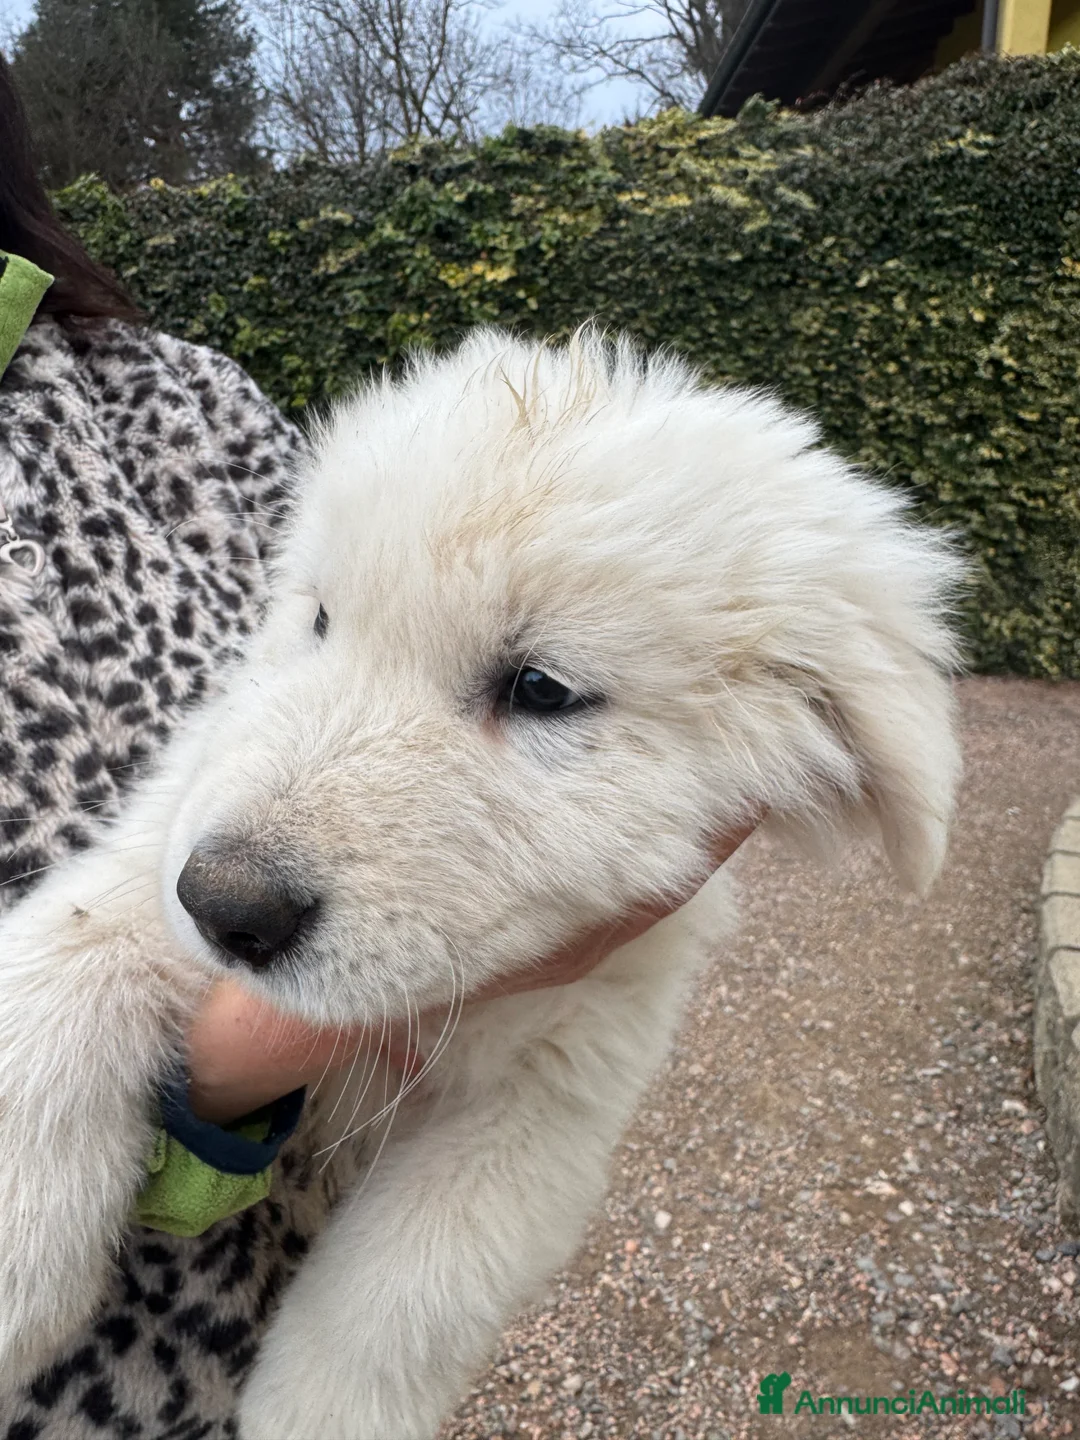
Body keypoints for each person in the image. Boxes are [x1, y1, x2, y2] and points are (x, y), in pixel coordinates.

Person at [0, 51, 753, 1435]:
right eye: (327, 615)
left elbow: (534, 1115)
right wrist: (217, 1053)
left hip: (228, 1349)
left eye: (537, 685)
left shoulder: (189, 404)